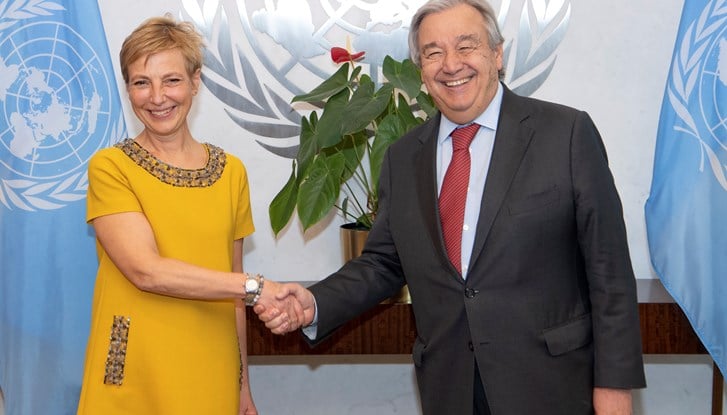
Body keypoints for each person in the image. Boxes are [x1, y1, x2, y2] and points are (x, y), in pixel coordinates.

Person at [255, 0, 647, 414]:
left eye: (466, 46)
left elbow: (611, 276)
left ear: (496, 54)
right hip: (450, 388)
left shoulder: (566, 134)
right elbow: (383, 264)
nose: (451, 64)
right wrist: (314, 303)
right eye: (433, 52)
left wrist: (614, 390)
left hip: (551, 388)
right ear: (421, 70)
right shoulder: (403, 157)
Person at [76, 15, 299, 415]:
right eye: (141, 82)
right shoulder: (110, 167)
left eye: (171, 80)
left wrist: (242, 383)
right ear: (127, 89)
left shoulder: (231, 172)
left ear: (195, 82)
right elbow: (146, 271)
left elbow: (233, 288)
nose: (157, 96)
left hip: (209, 364)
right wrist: (256, 287)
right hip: (136, 368)